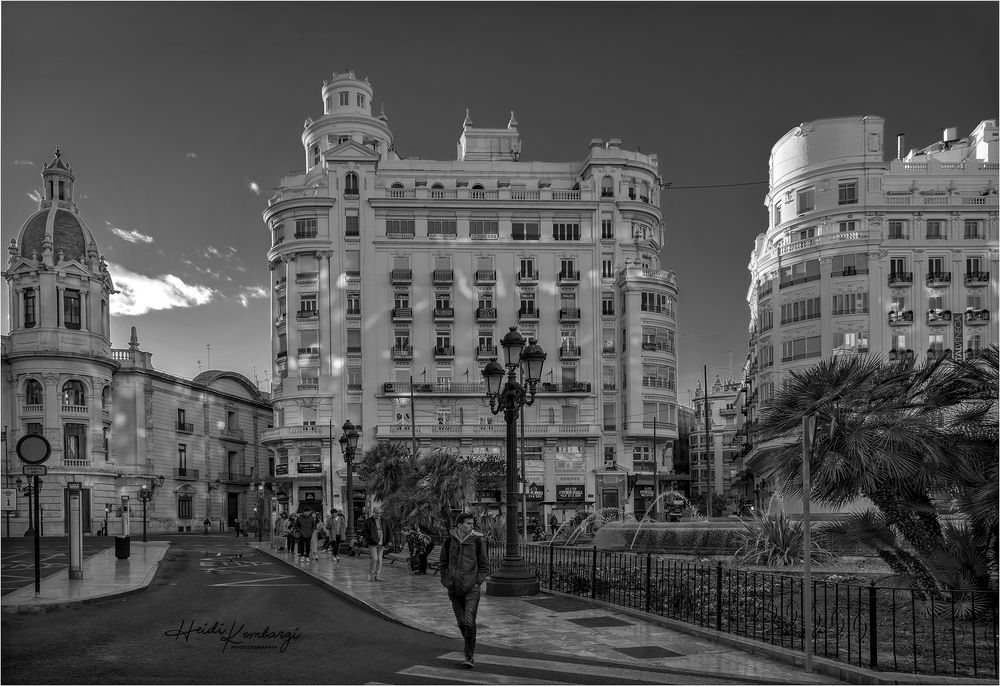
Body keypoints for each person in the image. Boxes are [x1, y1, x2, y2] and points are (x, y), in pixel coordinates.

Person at [439, 513, 489, 669]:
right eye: (467, 523)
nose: (471, 526)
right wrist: (445, 580)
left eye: (472, 524)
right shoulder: (449, 541)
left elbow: (484, 565)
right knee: (461, 623)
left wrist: (477, 583)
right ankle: (469, 642)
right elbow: (443, 562)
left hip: (471, 589)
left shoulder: (477, 541)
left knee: (469, 621)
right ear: (459, 525)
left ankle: (469, 655)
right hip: (454, 589)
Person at [361, 507, 393, 582]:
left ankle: (377, 575)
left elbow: (389, 531)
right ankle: (371, 574)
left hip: (382, 542)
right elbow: (363, 532)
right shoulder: (367, 521)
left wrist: (390, 540)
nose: (379, 515)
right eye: (377, 513)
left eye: (380, 513)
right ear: (373, 512)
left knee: (379, 560)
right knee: (374, 559)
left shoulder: (384, 521)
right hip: (372, 543)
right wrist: (371, 538)